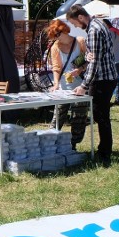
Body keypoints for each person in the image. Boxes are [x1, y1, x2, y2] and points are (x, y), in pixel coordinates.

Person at [65, 4, 118, 167]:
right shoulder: (99, 24)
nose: (75, 27)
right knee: (101, 115)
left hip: (102, 80)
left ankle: (104, 154)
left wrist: (84, 85)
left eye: (74, 23)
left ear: (81, 17)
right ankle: (104, 150)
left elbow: (94, 63)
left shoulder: (93, 31)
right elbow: (93, 57)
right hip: (107, 77)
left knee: (101, 116)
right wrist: (79, 69)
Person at [46, 19, 88, 149]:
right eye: (54, 37)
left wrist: (80, 69)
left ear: (64, 31)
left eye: (57, 36)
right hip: (63, 88)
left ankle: (74, 145)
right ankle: (51, 143)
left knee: (79, 118)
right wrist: (56, 83)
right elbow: (56, 67)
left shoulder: (80, 41)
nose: (55, 39)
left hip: (80, 86)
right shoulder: (55, 47)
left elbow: (89, 60)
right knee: (57, 116)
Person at [103, 19, 119, 105]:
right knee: (117, 80)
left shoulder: (110, 32)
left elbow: (108, 46)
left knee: (114, 81)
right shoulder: (117, 31)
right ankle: (117, 99)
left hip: (114, 60)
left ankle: (116, 99)